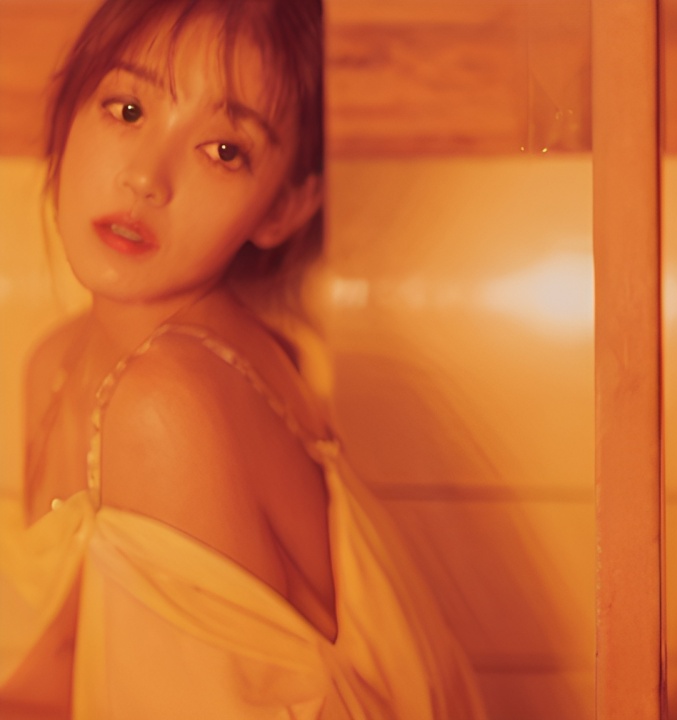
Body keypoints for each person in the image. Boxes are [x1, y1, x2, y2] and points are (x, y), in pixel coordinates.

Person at [0, 0, 487, 717]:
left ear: (283, 207)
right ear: (69, 109)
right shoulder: (57, 360)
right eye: (128, 110)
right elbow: (60, 675)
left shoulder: (169, 401)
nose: (146, 178)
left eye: (224, 151)